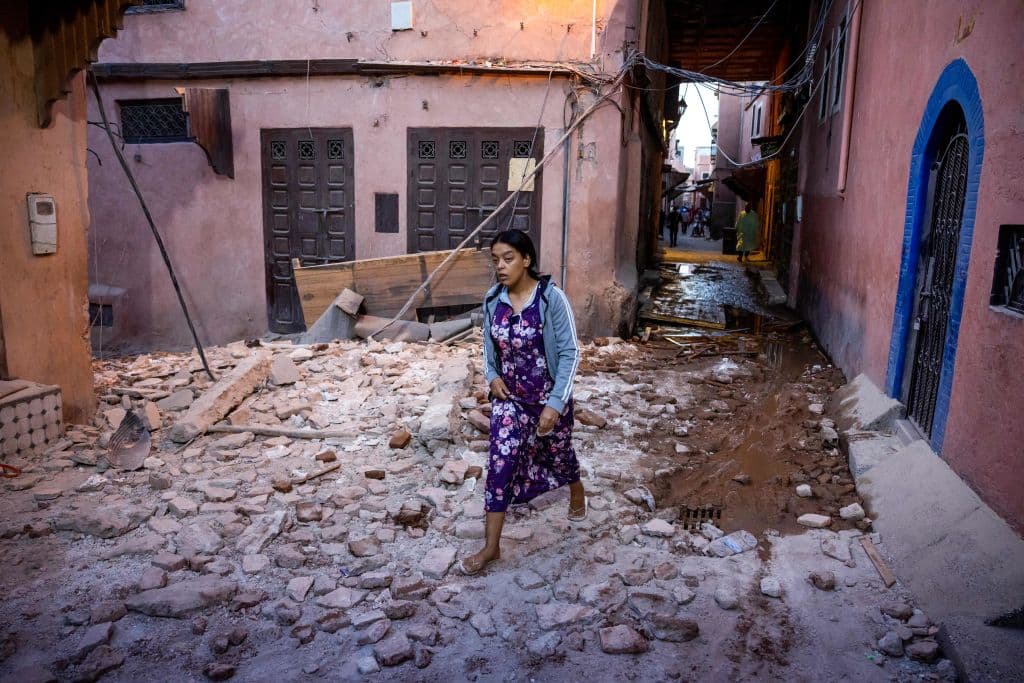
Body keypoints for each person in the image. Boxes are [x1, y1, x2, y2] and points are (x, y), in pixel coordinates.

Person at [459, 229, 584, 575]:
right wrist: (492, 376)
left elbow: (571, 352)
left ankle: (576, 489)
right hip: (510, 402)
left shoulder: (551, 298)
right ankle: (491, 547)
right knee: (500, 464)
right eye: (495, 259)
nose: (500, 266)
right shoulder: (492, 299)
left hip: (548, 399)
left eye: (508, 258)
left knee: (558, 455)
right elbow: (488, 346)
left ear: (526, 260)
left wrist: (555, 404)